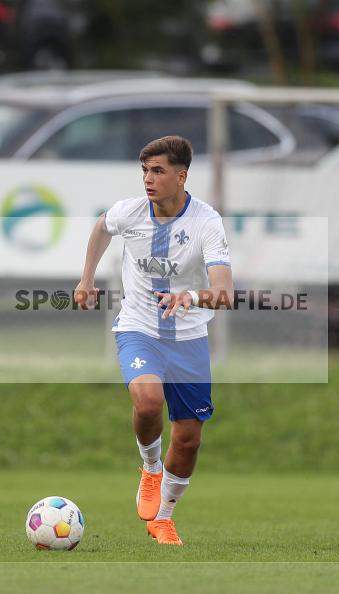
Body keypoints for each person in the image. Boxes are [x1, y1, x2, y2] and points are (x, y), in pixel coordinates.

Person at [75, 135, 233, 546]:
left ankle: (163, 518)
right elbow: (100, 228)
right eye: (145, 170)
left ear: (181, 176)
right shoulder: (129, 212)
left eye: (158, 171)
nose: (148, 179)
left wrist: (191, 296)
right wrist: (87, 278)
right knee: (147, 401)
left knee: (188, 437)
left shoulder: (207, 223)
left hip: (190, 338)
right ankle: (149, 467)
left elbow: (224, 292)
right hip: (139, 328)